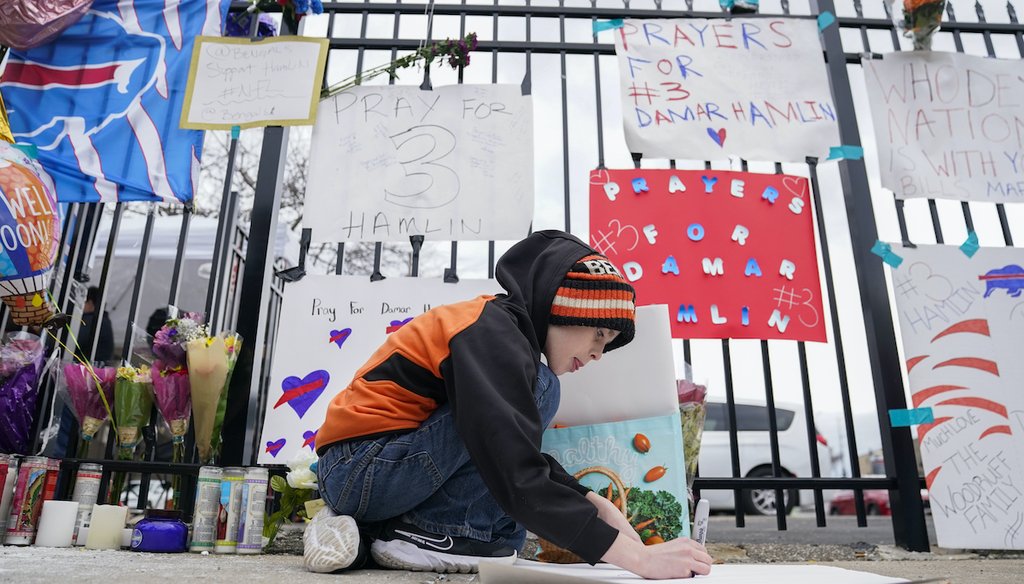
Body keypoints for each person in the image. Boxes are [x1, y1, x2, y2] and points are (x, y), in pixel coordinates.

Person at [303, 230, 712, 578]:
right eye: (598, 335)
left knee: (502, 540)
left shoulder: (503, 337)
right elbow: (506, 457)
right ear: (562, 308)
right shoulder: (491, 333)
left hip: (380, 468)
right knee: (542, 391)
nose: (597, 355)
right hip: (362, 468)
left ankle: (370, 534)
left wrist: (593, 502)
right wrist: (638, 558)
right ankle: (423, 532)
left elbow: (511, 447)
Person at [75, 286, 114, 364]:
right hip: (100, 366)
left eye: (83, 302)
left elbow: (74, 342)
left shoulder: (91, 320)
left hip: (89, 367)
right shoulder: (104, 319)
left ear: (90, 303)